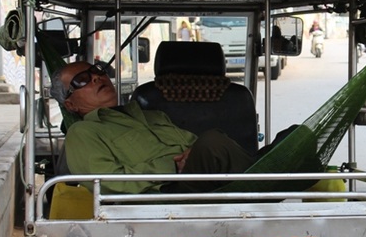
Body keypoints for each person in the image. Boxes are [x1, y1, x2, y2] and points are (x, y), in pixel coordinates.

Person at [50, 61, 257, 194]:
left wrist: (192, 153)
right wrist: (171, 167)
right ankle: (268, 179)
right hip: (164, 195)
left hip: (201, 180)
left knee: (287, 136)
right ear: (71, 104)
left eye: (96, 70)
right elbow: (103, 181)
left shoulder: (149, 115)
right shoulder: (82, 133)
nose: (97, 77)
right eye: (82, 80)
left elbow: (193, 145)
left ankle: (269, 174)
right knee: (213, 142)